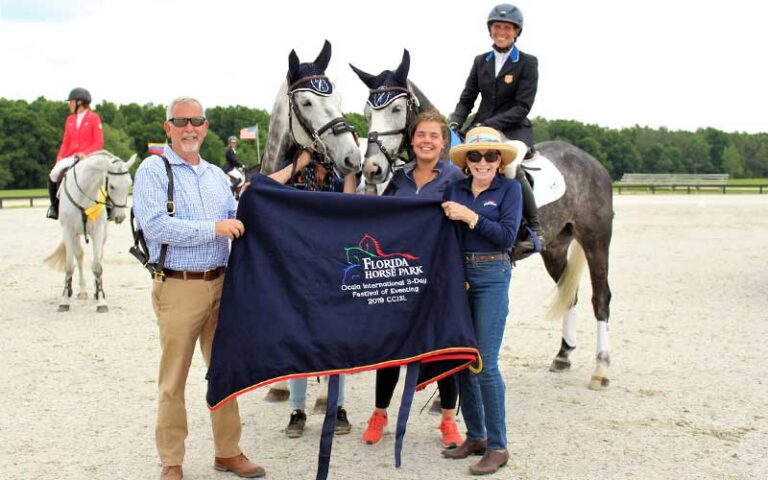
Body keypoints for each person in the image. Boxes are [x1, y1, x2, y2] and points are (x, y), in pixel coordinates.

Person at [132, 96, 265, 480]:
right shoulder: (153, 170)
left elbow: (234, 219)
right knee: (173, 378)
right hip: (178, 285)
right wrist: (213, 229)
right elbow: (156, 226)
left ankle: (228, 451)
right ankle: (171, 461)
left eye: (197, 121)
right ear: (168, 127)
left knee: (225, 371)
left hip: (221, 283)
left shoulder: (215, 175)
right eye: (182, 121)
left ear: (206, 127)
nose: (190, 128)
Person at [360, 110, 466, 449]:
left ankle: (449, 420)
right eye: (421, 135)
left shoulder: (456, 179)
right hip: (400, 277)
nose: (427, 141)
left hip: (440, 276)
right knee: (391, 345)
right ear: (412, 140)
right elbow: (380, 218)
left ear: (443, 143)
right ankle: (379, 414)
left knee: (444, 347)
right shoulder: (398, 178)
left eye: (434, 136)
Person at [440, 126, 523, 475]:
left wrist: (471, 217)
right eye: (475, 155)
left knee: (485, 362)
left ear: (500, 160)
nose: (483, 161)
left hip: (492, 275)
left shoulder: (511, 189)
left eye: (491, 155)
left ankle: (498, 444)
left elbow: (506, 236)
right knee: (463, 360)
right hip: (462, 278)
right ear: (467, 161)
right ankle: (475, 435)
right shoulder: (455, 188)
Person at [267, 148, 357, 438]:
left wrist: (352, 165)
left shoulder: (339, 170)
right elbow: (264, 186)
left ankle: (338, 405)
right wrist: (299, 163)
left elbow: (351, 204)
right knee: (297, 338)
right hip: (296, 263)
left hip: (332, 261)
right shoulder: (291, 167)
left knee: (337, 338)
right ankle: (297, 409)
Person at [449, 3, 543, 252]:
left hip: (513, 130)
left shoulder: (527, 62)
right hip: (479, 128)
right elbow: (467, 98)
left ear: (516, 32)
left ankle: (534, 228)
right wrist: (456, 121)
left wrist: (488, 125)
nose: (501, 31)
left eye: (507, 28)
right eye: (497, 27)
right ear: (490, 30)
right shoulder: (480, 61)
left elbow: (523, 106)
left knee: (510, 165)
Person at [47, 87, 104, 219]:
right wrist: (60, 157)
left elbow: (98, 142)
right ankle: (54, 207)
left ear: (80, 102)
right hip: (71, 156)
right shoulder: (70, 120)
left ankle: (109, 207)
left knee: (106, 174)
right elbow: (66, 142)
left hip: (90, 156)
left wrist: (86, 153)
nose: (69, 104)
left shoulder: (94, 118)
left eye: (71, 101)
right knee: (53, 174)